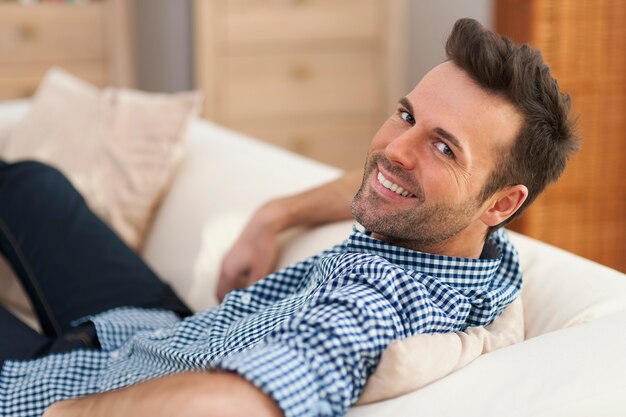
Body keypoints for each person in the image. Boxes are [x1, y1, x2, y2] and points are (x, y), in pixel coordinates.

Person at [0, 18, 578, 417]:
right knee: (31, 184)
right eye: (406, 116)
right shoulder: (477, 248)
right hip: (165, 332)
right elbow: (385, 176)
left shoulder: (385, 302)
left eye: (444, 147)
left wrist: (57, 409)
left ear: (503, 203)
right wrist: (274, 215)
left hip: (89, 382)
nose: (396, 149)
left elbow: (238, 405)